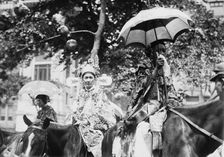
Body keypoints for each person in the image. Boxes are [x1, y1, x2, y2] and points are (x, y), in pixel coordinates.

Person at [66, 60, 123, 157]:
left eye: (90, 77)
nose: (88, 80)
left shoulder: (98, 92)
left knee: (96, 139)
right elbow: (76, 108)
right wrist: (74, 115)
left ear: (94, 79)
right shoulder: (80, 93)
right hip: (80, 123)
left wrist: (87, 119)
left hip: (95, 124)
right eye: (86, 77)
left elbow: (101, 109)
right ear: (82, 79)